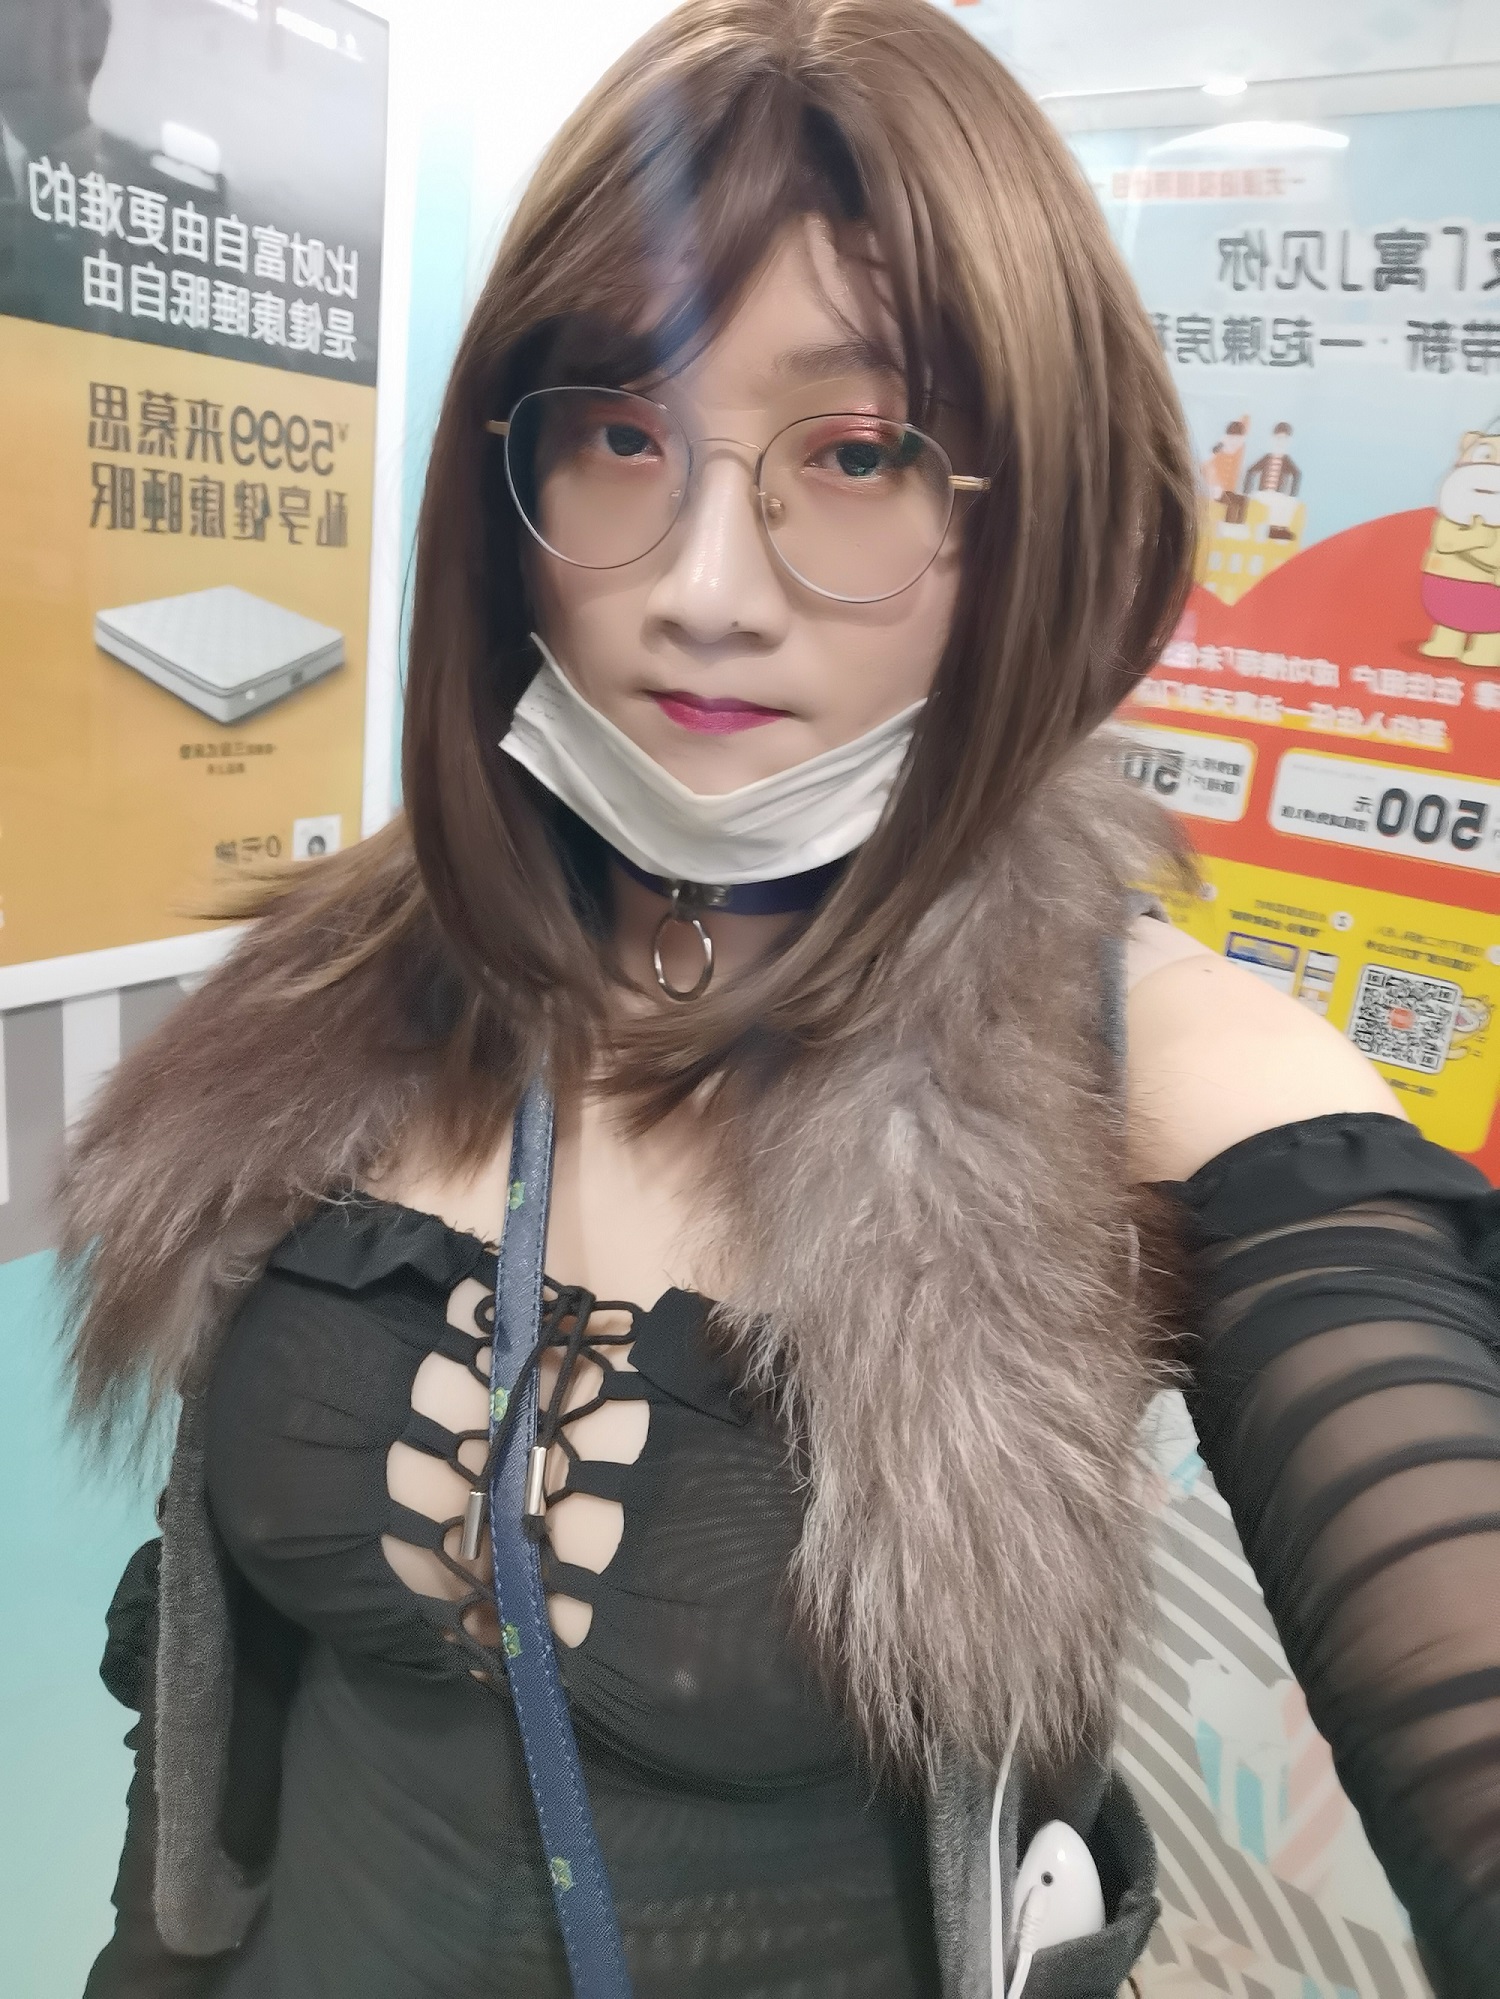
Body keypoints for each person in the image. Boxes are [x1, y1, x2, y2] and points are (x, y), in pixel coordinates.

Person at [61, 3, 1500, 1995]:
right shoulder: (347, 997)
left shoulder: (1156, 1065)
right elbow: (216, 1704)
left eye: (859, 453)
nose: (707, 587)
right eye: (621, 434)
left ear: (1035, 515)